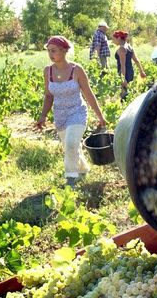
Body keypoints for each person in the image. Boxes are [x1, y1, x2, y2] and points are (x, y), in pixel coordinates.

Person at [36, 35, 107, 187]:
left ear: (63, 51)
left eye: (53, 51)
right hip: (60, 115)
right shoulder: (47, 71)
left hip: (77, 112)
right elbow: (48, 96)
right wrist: (43, 116)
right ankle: (83, 169)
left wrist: (100, 116)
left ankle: (70, 179)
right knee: (72, 146)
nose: (50, 54)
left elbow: (88, 94)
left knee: (70, 143)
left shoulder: (76, 70)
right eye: (48, 51)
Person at [112, 30, 146, 100]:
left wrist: (123, 78)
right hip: (130, 72)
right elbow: (136, 60)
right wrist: (141, 71)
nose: (113, 41)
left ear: (118, 38)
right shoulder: (129, 47)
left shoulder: (122, 49)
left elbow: (123, 65)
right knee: (130, 93)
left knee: (124, 96)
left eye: (114, 39)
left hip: (124, 73)